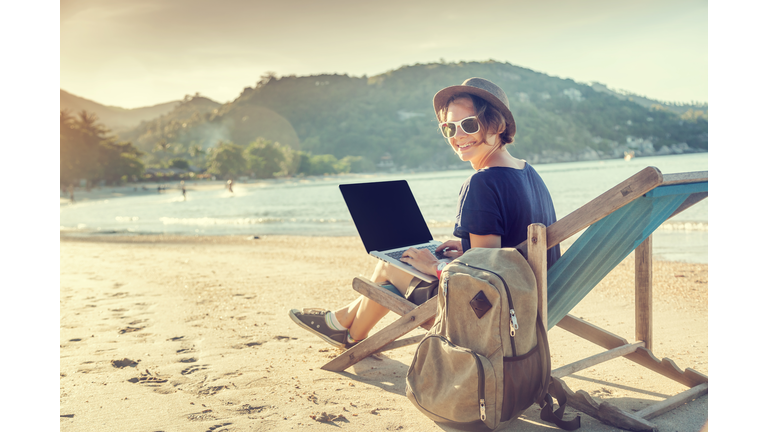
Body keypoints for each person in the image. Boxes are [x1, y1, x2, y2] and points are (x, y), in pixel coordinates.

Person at [289, 77, 560, 349]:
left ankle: (347, 332)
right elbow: (500, 252)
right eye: (449, 128)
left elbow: (481, 279)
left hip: (492, 315)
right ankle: (343, 326)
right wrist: (467, 247)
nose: (457, 136)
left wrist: (433, 266)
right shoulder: (527, 172)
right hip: (529, 300)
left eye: (469, 124)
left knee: (391, 262)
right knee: (401, 262)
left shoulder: (483, 182)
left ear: (498, 125)